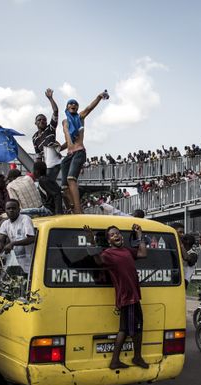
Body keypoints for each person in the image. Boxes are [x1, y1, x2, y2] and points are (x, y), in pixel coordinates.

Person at [83, 223, 149, 369]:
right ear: (109, 241)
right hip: (127, 297)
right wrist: (91, 241)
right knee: (128, 329)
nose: (116, 236)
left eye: (117, 233)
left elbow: (143, 254)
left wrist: (139, 236)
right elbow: (98, 260)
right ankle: (126, 359)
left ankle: (127, 359)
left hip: (133, 296)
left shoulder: (127, 251)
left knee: (130, 328)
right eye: (112, 235)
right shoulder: (108, 254)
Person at [62, 91, 108, 213]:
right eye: (70, 103)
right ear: (66, 107)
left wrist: (99, 97)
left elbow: (89, 108)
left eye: (75, 104)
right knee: (64, 186)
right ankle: (72, 208)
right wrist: (57, 149)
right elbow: (68, 141)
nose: (73, 105)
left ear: (77, 108)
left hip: (79, 152)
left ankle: (78, 210)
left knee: (71, 178)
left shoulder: (80, 117)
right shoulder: (65, 122)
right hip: (68, 155)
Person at [0, 199, 36, 274]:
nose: (11, 210)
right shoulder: (5, 223)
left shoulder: (25, 219)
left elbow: (31, 239)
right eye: (8, 208)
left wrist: (13, 244)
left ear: (19, 210)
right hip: (17, 264)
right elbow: (1, 239)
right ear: (5, 211)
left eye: (13, 208)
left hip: (30, 263)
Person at [32, 88, 62, 178]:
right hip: (46, 165)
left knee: (48, 182)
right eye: (39, 120)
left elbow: (55, 111)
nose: (42, 121)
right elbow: (38, 155)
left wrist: (50, 98)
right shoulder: (34, 137)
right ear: (35, 123)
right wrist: (36, 171)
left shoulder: (50, 128)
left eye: (44, 120)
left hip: (54, 162)